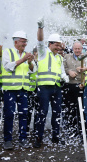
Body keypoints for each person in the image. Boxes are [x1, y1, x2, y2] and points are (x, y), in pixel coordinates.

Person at [34, 18, 69, 148]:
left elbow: (61, 72)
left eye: (60, 45)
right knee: (42, 113)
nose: (59, 47)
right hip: (43, 88)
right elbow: (39, 40)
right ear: (50, 44)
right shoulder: (43, 52)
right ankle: (38, 138)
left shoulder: (59, 57)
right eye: (57, 45)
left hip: (56, 88)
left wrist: (66, 78)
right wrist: (41, 27)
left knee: (57, 113)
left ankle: (56, 137)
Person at [2, 31, 35, 150]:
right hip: (10, 89)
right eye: (23, 41)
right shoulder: (8, 52)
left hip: (23, 89)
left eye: (26, 41)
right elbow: (8, 67)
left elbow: (32, 70)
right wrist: (23, 59)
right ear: (16, 42)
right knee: (9, 114)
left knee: (24, 114)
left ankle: (23, 138)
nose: (25, 44)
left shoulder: (27, 54)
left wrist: (30, 62)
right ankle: (8, 140)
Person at [62, 41, 85, 137]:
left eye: (79, 48)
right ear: (72, 49)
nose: (77, 50)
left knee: (81, 109)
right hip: (69, 85)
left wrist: (83, 82)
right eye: (75, 48)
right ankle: (70, 129)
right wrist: (69, 71)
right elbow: (63, 68)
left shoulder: (85, 58)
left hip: (80, 85)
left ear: (82, 49)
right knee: (69, 108)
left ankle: (81, 129)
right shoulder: (67, 57)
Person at [27, 47, 38, 135]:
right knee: (28, 111)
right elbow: (31, 70)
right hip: (30, 90)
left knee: (38, 112)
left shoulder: (43, 61)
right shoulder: (30, 62)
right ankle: (26, 129)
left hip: (40, 90)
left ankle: (36, 130)